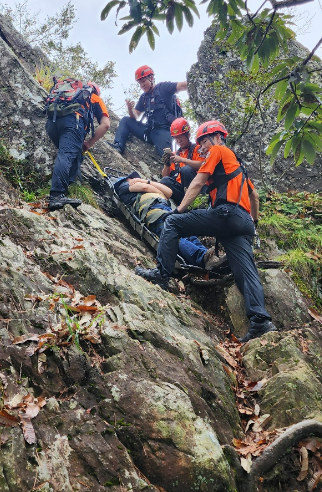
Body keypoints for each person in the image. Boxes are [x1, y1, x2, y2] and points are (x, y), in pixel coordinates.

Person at [135, 120, 277, 342]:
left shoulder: (218, 150)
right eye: (199, 142)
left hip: (226, 214)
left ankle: (162, 275)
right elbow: (254, 197)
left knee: (173, 223)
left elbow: (198, 181)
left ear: (218, 137)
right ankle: (261, 321)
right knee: (245, 271)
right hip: (243, 222)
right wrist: (254, 223)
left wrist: (179, 210)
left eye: (204, 140)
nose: (202, 146)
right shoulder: (237, 164)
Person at [114, 171, 221, 283]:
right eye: (133, 178)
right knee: (173, 236)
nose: (136, 179)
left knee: (188, 234)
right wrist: (153, 189)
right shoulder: (123, 186)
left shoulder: (140, 185)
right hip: (154, 212)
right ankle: (201, 257)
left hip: (165, 210)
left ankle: (209, 256)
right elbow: (146, 188)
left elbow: (169, 192)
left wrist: (147, 181)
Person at [45, 79, 110, 211]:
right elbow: (106, 124)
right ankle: (56, 195)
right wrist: (89, 143)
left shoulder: (66, 93)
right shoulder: (95, 97)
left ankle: (65, 190)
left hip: (52, 122)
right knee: (66, 155)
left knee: (73, 156)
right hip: (73, 121)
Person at [112, 66, 187, 156]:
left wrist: (194, 80)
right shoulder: (144, 98)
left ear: (151, 78)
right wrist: (130, 109)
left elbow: (182, 85)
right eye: (140, 83)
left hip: (163, 132)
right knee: (125, 120)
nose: (142, 85)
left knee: (168, 159)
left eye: (144, 81)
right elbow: (135, 116)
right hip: (148, 131)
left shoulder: (163, 88)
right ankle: (118, 146)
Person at [160, 117, 204, 205]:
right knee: (165, 181)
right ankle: (183, 205)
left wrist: (182, 160)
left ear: (188, 135)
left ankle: (196, 203)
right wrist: (167, 164)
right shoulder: (175, 154)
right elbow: (165, 177)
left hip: (197, 188)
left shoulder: (198, 149)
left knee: (186, 170)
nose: (178, 140)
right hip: (181, 192)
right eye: (176, 138)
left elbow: (203, 164)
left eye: (181, 137)